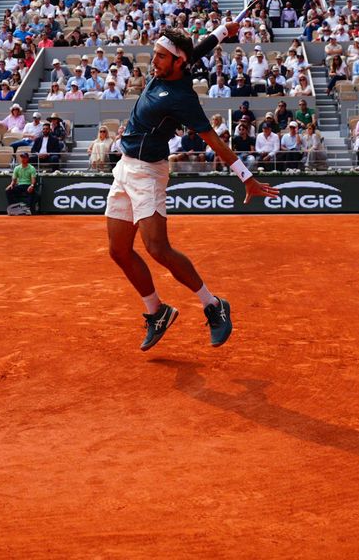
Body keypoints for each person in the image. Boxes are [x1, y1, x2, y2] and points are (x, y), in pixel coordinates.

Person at [105, 20, 278, 352]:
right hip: (124, 168)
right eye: (155, 54)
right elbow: (196, 50)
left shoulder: (183, 98)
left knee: (158, 249)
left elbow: (214, 140)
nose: (153, 61)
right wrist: (223, 31)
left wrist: (247, 177)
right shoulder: (169, 69)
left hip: (148, 174)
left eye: (160, 57)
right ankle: (157, 311)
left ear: (177, 61)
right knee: (118, 250)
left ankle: (213, 304)